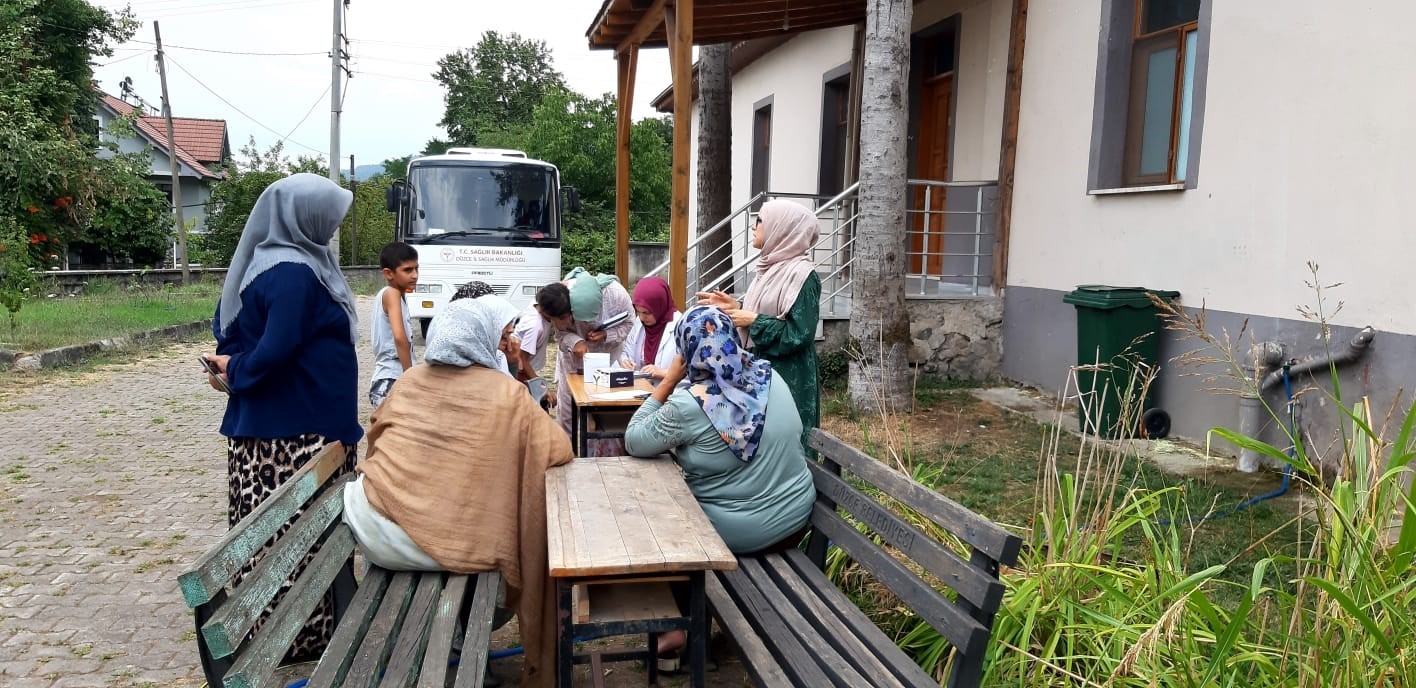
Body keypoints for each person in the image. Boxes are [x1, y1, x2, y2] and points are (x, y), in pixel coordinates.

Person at [345, 295, 573, 688]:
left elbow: (377, 433)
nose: (506, 342)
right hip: (435, 546)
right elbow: (559, 448)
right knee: (478, 526)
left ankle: (452, 641)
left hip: (374, 528)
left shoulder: (409, 380)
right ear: (480, 338)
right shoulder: (507, 395)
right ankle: (461, 644)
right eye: (501, 336)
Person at [201, 172, 363, 662]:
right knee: (297, 539)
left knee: (287, 535)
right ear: (302, 218)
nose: (332, 231)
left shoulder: (268, 264)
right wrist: (242, 371)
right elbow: (275, 348)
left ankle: (287, 625)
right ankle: (296, 635)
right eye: (327, 220)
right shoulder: (293, 271)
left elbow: (229, 333)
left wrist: (233, 371)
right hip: (297, 435)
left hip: (286, 424)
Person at [623, 305, 815, 662]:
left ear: (687, 349)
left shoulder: (689, 404)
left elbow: (634, 440)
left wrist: (668, 381)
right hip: (796, 519)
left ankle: (672, 628)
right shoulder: (770, 376)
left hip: (740, 534)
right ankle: (683, 626)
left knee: (661, 517)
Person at [697, 200, 821, 450]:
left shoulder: (802, 276)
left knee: (782, 443)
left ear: (781, 228)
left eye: (760, 221)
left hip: (788, 376)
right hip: (762, 370)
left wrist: (752, 320)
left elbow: (799, 334)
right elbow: (773, 312)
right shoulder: (770, 268)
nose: (754, 228)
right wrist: (737, 306)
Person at [544, 267, 635, 435]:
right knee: (567, 409)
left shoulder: (617, 294)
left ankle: (602, 454)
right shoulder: (564, 295)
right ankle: (567, 450)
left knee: (605, 408)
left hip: (608, 358)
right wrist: (574, 340)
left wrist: (607, 334)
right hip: (573, 361)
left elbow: (630, 324)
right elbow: (559, 334)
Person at [368, 242, 419, 408]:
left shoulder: (395, 295)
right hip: (391, 380)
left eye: (416, 269)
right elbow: (399, 337)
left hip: (388, 378)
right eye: (407, 270)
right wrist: (410, 377)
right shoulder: (392, 294)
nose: (415, 275)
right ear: (389, 273)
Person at [447, 280, 516, 377]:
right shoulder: (461, 362)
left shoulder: (499, 358)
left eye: (511, 322)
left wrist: (512, 362)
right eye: (505, 321)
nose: (511, 329)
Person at [620, 276, 680, 378]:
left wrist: (664, 372)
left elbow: (693, 370)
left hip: (671, 391)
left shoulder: (681, 326)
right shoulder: (640, 322)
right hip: (641, 388)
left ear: (660, 305)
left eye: (646, 312)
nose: (642, 317)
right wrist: (625, 361)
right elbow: (627, 351)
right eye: (638, 312)